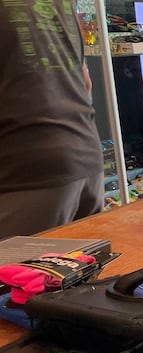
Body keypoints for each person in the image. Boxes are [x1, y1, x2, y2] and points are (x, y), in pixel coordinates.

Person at [0, 0, 104, 240]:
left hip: (25, 170)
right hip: (85, 153)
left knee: (19, 275)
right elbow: (86, 83)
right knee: (88, 274)